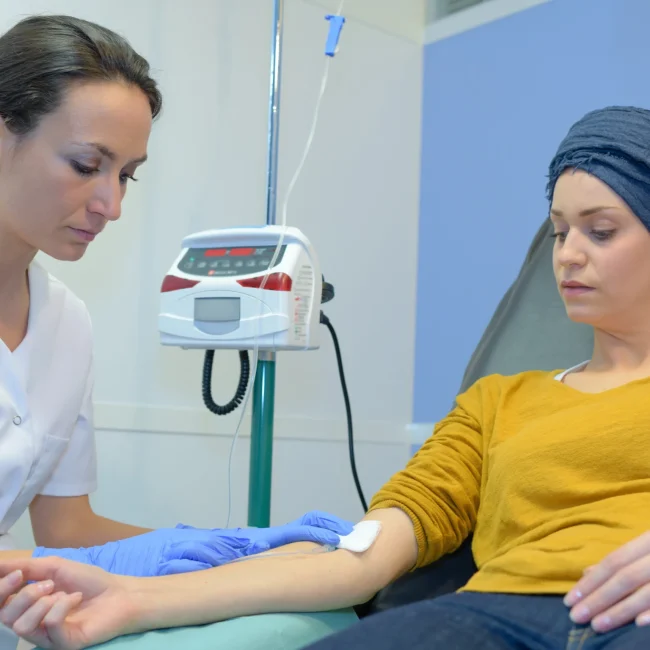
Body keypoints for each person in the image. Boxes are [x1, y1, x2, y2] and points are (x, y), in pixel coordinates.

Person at [3, 55, 650, 650]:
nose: (568, 254)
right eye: (559, 231)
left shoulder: (64, 323)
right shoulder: (498, 404)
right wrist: (133, 599)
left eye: (600, 231)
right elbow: (364, 554)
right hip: (493, 616)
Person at [0, 11, 355, 647]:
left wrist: (227, 554)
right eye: (86, 164)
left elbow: (67, 531)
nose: (111, 205)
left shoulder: (65, 324)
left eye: (126, 175)